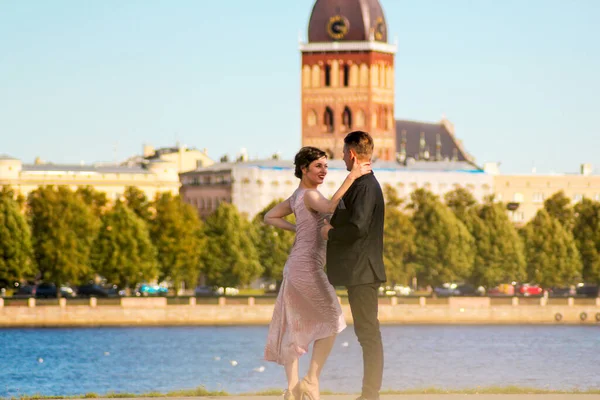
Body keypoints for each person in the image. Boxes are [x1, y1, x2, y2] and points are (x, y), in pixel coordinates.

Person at [264, 146, 371, 400]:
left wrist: (298, 229)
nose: (324, 171)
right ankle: (310, 381)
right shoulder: (310, 195)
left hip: (295, 266)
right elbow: (333, 206)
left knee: (295, 326)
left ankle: (291, 391)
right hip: (306, 267)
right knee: (334, 318)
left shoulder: (296, 195)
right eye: (318, 166)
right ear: (304, 169)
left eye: (326, 166)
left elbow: (269, 217)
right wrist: (352, 177)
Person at [321, 131, 386, 400]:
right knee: (366, 333)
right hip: (357, 271)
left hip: (363, 271)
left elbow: (358, 227)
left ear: (350, 153)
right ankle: (369, 394)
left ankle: (370, 395)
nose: (341, 158)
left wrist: (329, 233)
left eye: (342, 153)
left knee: (368, 334)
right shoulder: (361, 184)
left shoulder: (366, 186)